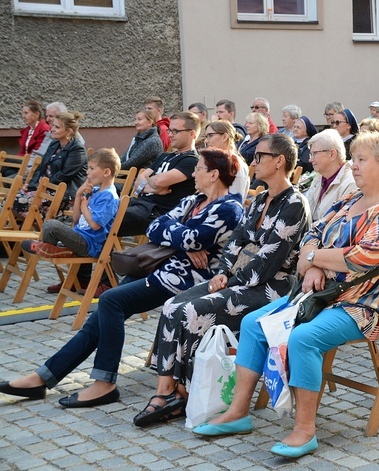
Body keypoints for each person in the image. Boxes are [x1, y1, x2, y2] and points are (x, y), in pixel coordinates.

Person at [191, 131, 379, 461]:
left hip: (368, 305)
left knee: (304, 338)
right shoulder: (350, 201)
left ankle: (305, 429)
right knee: (255, 324)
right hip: (322, 294)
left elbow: (359, 259)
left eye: (360, 160)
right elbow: (313, 234)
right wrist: (312, 264)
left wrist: (312, 260)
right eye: (352, 159)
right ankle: (238, 413)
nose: (352, 166)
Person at [0, 148, 244, 406]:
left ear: (214, 174)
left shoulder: (228, 208)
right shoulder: (193, 201)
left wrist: (183, 238)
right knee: (101, 317)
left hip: (187, 278)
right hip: (160, 269)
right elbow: (154, 227)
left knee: (111, 301)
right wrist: (184, 243)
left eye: (199, 169)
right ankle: (43, 377)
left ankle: (104, 383)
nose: (193, 173)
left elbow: (195, 238)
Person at [135, 134, 311, 427]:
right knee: (170, 306)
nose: (253, 162)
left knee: (193, 311)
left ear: (279, 161)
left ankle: (187, 391)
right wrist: (222, 273)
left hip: (271, 289)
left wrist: (231, 280)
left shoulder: (294, 203)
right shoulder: (259, 199)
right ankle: (166, 391)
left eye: (259, 157)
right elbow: (236, 242)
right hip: (236, 280)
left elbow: (268, 261)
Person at [21, 149, 121, 292]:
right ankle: (56, 250)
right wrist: (79, 194)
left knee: (51, 225)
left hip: (89, 244)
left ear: (106, 172)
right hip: (80, 236)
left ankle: (56, 250)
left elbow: (95, 225)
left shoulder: (109, 196)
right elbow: (76, 218)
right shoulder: (96, 190)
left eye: (92, 169)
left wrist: (85, 207)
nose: (87, 172)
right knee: (50, 224)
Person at [121, 112, 200, 237]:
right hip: (138, 203)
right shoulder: (165, 155)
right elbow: (139, 179)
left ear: (192, 134)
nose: (170, 135)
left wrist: (148, 183)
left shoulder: (192, 161)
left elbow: (158, 182)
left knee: (106, 218)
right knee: (97, 208)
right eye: (170, 131)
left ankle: (93, 252)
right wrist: (152, 188)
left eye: (176, 131)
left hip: (155, 213)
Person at [13, 111, 88, 220]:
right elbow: (41, 168)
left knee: (19, 202)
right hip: (45, 189)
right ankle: (28, 229)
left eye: (57, 127)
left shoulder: (77, 149)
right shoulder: (54, 144)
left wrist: (40, 186)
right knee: (10, 199)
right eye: (52, 126)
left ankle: (40, 231)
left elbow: (64, 175)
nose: (52, 129)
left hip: (63, 195)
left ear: (69, 131)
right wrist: (31, 186)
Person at [304, 129, 357, 222]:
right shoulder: (320, 177)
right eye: (310, 154)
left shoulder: (351, 183)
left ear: (332, 154)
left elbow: (338, 226)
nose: (310, 159)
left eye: (315, 153)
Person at [202, 120, 250, 200]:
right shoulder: (214, 161)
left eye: (210, 135)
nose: (206, 141)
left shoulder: (235, 164)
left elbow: (234, 199)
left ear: (224, 137)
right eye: (206, 136)